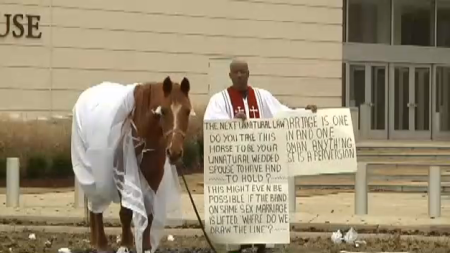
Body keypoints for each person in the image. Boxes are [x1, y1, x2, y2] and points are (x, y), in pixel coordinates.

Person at [203, 59, 318, 253]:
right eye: (236, 72)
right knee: (240, 205)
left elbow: (282, 114)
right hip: (236, 166)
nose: (239, 75)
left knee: (261, 205)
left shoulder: (262, 96)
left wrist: (305, 112)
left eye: (243, 72)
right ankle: (242, 244)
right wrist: (232, 122)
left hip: (261, 164)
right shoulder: (219, 100)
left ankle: (262, 243)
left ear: (248, 74)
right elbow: (211, 124)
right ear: (230, 75)